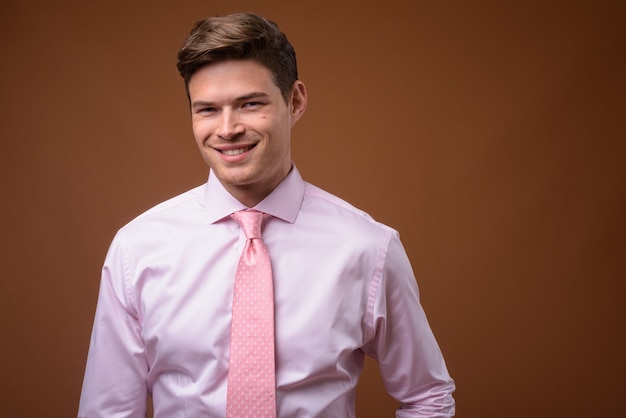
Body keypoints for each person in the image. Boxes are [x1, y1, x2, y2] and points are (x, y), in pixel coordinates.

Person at [78, 12, 455, 418]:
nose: (227, 129)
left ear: (294, 101)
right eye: (207, 110)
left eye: (249, 104)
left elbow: (427, 397)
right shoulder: (138, 250)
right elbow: (108, 410)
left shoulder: (368, 248)